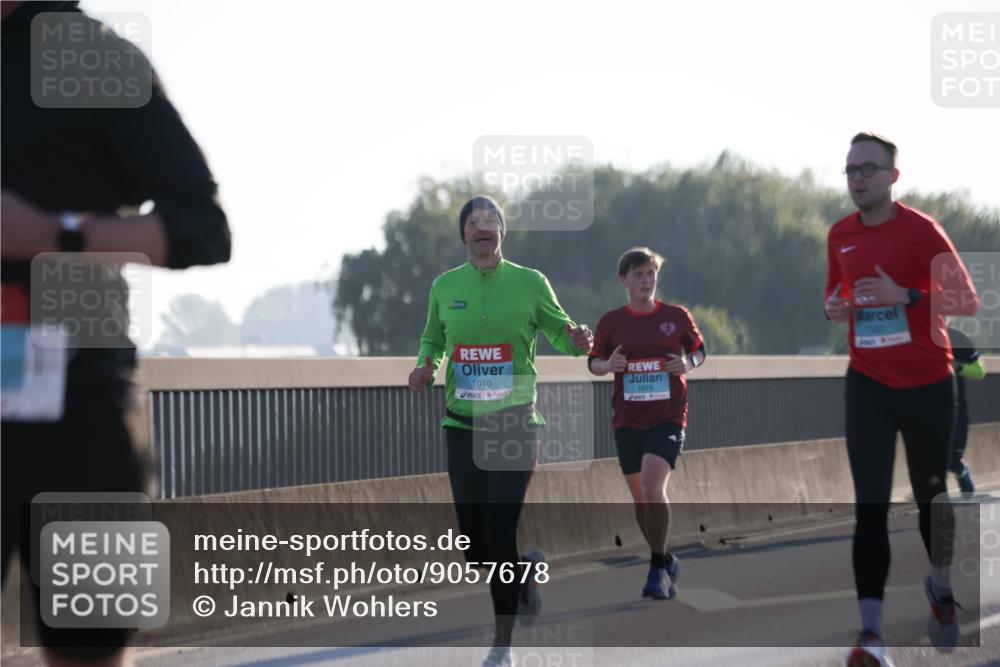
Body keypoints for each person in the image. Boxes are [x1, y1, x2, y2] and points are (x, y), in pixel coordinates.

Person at [1, 2, 232, 665]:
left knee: (88, 653)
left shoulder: (92, 56)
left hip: (79, 412)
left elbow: (203, 228)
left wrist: (55, 233)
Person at [408, 195, 592, 667]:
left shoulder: (530, 283)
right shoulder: (445, 286)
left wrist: (577, 341)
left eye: (490, 220)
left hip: (513, 423)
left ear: (502, 232)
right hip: (462, 424)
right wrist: (425, 366)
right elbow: (433, 338)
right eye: (473, 221)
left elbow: (559, 332)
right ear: (464, 234)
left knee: (500, 531)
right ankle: (524, 572)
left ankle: (502, 645)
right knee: (474, 546)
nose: (482, 227)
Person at [824, 132, 978, 667]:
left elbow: (967, 299)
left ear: (893, 175)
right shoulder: (839, 234)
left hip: (928, 385)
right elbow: (835, 293)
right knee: (869, 507)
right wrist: (836, 307)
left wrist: (907, 295)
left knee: (930, 499)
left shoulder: (921, 231)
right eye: (850, 170)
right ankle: (871, 636)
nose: (858, 178)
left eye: (868, 168)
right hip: (866, 381)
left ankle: (939, 586)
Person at [588, 247, 705, 600]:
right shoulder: (611, 322)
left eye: (651, 273)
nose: (646, 280)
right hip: (627, 417)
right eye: (638, 274)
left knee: (654, 486)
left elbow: (700, 349)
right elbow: (593, 361)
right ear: (624, 280)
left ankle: (656, 569)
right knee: (641, 500)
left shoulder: (676, 316)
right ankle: (666, 558)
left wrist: (688, 364)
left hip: (667, 413)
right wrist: (608, 366)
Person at [946, 325, 987, 497]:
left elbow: (979, 372)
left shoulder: (957, 338)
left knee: (950, 461)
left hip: (955, 409)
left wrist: (958, 368)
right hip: (922, 407)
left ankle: (960, 470)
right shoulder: (912, 336)